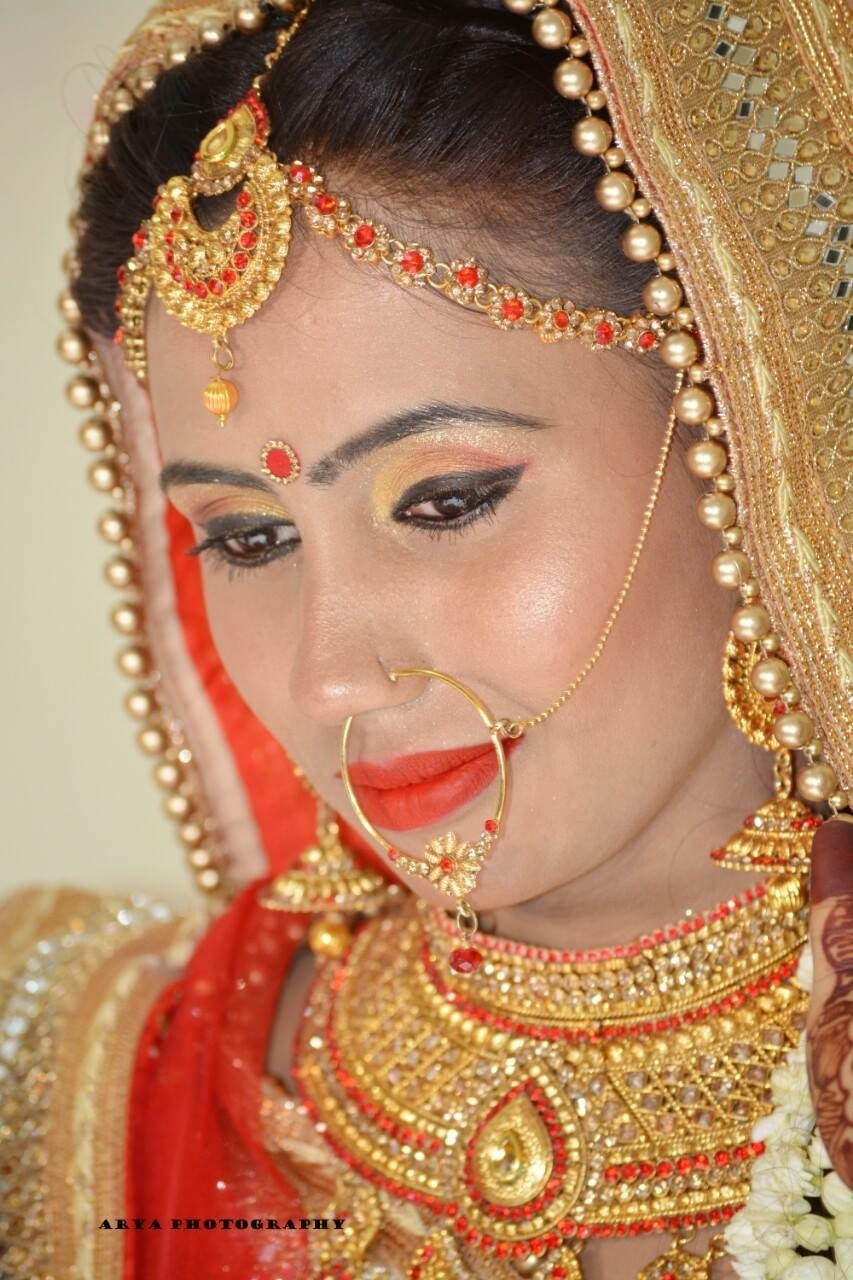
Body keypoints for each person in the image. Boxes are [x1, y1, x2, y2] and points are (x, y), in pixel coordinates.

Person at [1, 0, 851, 1276]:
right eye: (250, 538)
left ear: (762, 429)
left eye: (445, 502)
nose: (331, 675)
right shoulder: (75, 1091)